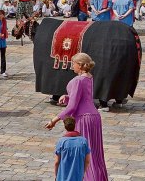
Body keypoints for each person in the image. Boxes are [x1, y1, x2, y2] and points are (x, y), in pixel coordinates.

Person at [45, 53, 108, 181]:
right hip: (94, 117)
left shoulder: (78, 80)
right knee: (95, 154)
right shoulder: (89, 77)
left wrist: (54, 120)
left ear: (79, 65)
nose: (71, 66)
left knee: (85, 154)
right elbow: (84, 98)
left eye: (73, 63)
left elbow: (73, 107)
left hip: (84, 118)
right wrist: (68, 97)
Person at [55, 117, 91, 181]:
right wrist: (82, 173)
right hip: (77, 176)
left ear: (65, 127)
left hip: (63, 176)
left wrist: (56, 176)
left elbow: (57, 162)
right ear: (74, 125)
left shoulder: (61, 141)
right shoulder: (83, 141)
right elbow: (87, 161)